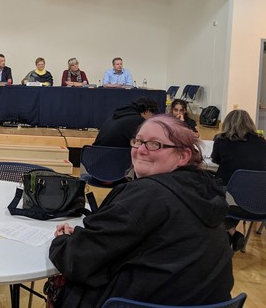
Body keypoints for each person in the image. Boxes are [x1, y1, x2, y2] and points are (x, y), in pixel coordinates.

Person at [49, 115, 233, 307]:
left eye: (155, 144)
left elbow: (76, 259)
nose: (141, 150)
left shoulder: (148, 195)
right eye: (138, 141)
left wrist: (63, 241)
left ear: (183, 156)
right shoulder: (204, 192)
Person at [211, 109, 266, 250]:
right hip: (261, 203)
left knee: (213, 194)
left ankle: (230, 232)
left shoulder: (221, 141)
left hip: (234, 202)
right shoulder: (262, 142)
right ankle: (232, 233)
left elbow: (215, 160)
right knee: (237, 193)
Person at [93, 97, 159, 147]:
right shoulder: (137, 120)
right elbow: (143, 143)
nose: (152, 119)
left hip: (96, 155)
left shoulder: (120, 115)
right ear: (147, 111)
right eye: (152, 115)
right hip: (111, 157)